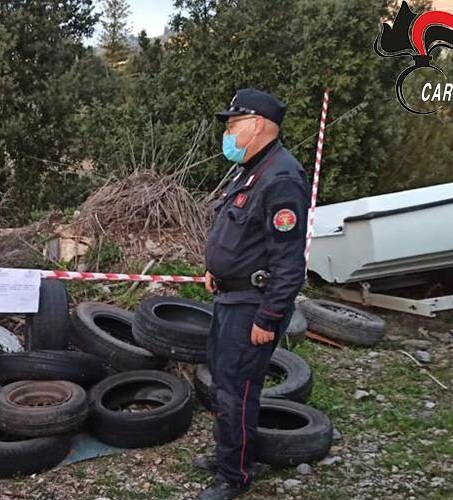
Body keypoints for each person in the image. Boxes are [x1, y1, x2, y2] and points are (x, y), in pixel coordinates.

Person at [195, 88, 310, 500]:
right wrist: (217, 271)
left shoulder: (281, 177)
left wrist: (269, 316)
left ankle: (234, 474)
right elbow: (242, 234)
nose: (228, 132)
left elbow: (289, 260)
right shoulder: (251, 169)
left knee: (236, 389)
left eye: (233, 124)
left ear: (257, 124)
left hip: (251, 306)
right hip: (230, 297)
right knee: (224, 382)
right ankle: (230, 453)